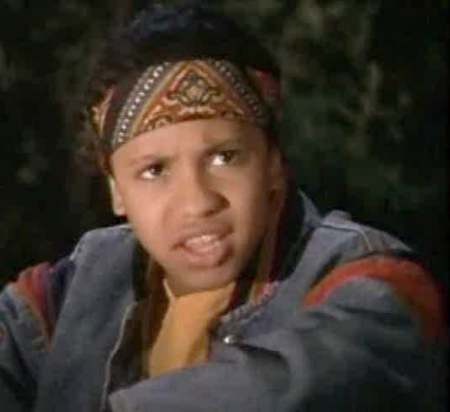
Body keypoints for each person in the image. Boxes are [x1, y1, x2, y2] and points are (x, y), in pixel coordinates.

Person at [0, 2, 446, 411]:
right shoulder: (67, 294)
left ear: (274, 164)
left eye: (225, 157)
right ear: (117, 191)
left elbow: (309, 381)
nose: (198, 202)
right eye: (154, 170)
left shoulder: (371, 283)